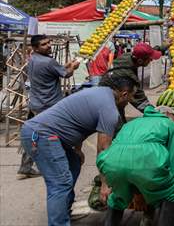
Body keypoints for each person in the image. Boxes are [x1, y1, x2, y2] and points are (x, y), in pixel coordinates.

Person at [20, 75, 135, 226]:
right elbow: (103, 150)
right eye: (132, 97)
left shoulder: (101, 92)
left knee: (73, 164)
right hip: (42, 135)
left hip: (48, 134)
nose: (131, 101)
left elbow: (78, 119)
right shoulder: (109, 110)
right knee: (60, 182)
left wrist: (78, 149)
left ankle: (63, 213)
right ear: (124, 94)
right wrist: (105, 184)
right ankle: (59, 223)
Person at [97, 105, 174, 226]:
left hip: (111, 163)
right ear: (167, 114)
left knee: (117, 198)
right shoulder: (170, 125)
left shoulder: (131, 123)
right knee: (170, 196)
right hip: (148, 165)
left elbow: (120, 147)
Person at [18, 34, 80, 179]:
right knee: (60, 133)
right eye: (44, 44)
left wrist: (67, 65)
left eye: (49, 43)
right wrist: (74, 67)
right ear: (35, 48)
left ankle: (25, 166)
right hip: (49, 105)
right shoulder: (48, 61)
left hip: (36, 103)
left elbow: (54, 70)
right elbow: (66, 74)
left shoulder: (32, 59)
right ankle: (62, 165)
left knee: (34, 134)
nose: (49, 46)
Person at [101, 40, 170, 122]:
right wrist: (157, 114)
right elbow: (140, 101)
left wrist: (163, 47)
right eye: (149, 59)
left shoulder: (130, 55)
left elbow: (147, 51)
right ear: (140, 61)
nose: (151, 60)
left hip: (112, 90)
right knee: (116, 125)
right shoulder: (128, 76)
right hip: (107, 100)